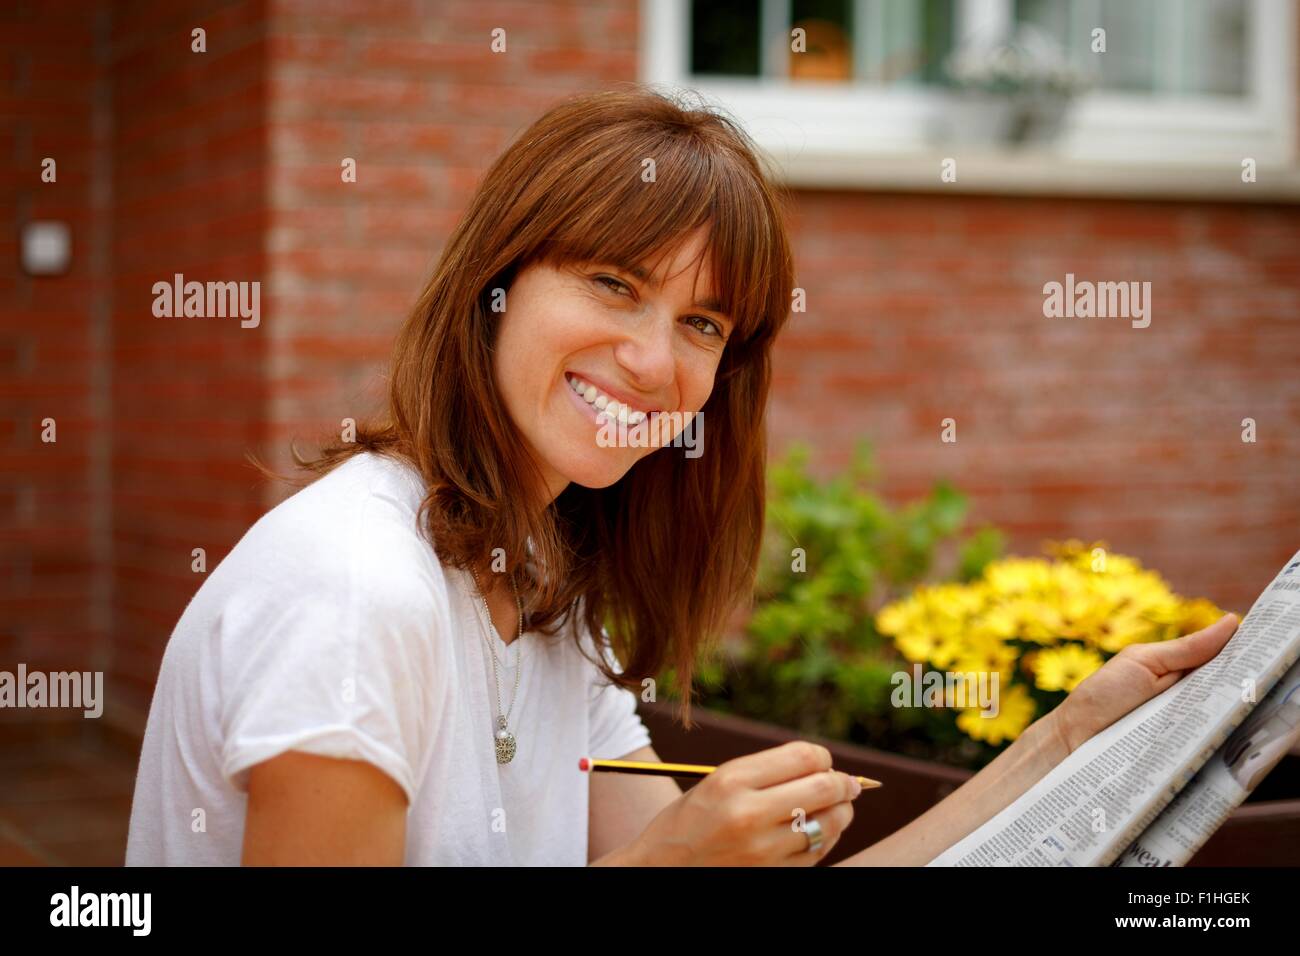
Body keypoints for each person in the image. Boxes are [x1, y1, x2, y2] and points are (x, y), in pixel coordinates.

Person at [124, 84, 1239, 866]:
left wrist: (1068, 738)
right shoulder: (359, 587)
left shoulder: (549, 601)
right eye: (612, 284)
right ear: (493, 283)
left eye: (701, 321)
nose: (656, 363)